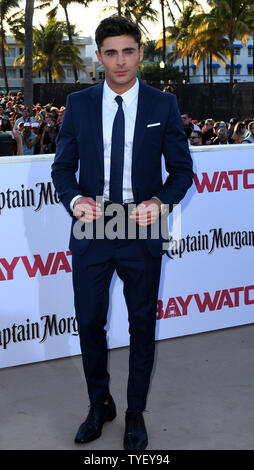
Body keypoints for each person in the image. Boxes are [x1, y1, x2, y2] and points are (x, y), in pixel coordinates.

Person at [51, 15, 193, 451]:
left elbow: (183, 170)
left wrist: (161, 202)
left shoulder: (162, 105)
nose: (120, 61)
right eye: (111, 52)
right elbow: (62, 168)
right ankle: (100, 405)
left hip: (140, 224)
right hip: (94, 226)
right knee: (90, 321)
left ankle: (134, 413)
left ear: (140, 54)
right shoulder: (77, 104)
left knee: (141, 326)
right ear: (99, 57)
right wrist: (76, 201)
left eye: (128, 51)